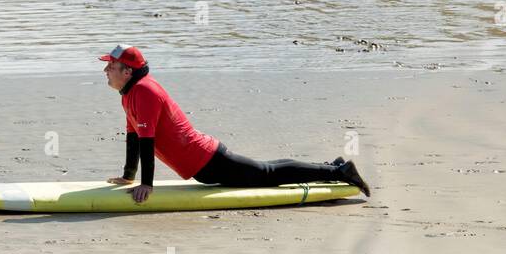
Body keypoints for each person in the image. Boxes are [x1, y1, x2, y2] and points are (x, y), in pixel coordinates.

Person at [100, 45, 371, 201]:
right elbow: (134, 138)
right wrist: (128, 176)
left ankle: (340, 173)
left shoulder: (145, 92)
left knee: (267, 174)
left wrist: (147, 184)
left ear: (128, 71)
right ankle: (333, 167)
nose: (105, 70)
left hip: (206, 160)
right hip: (203, 161)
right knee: (266, 170)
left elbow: (147, 143)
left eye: (110, 66)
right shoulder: (130, 94)